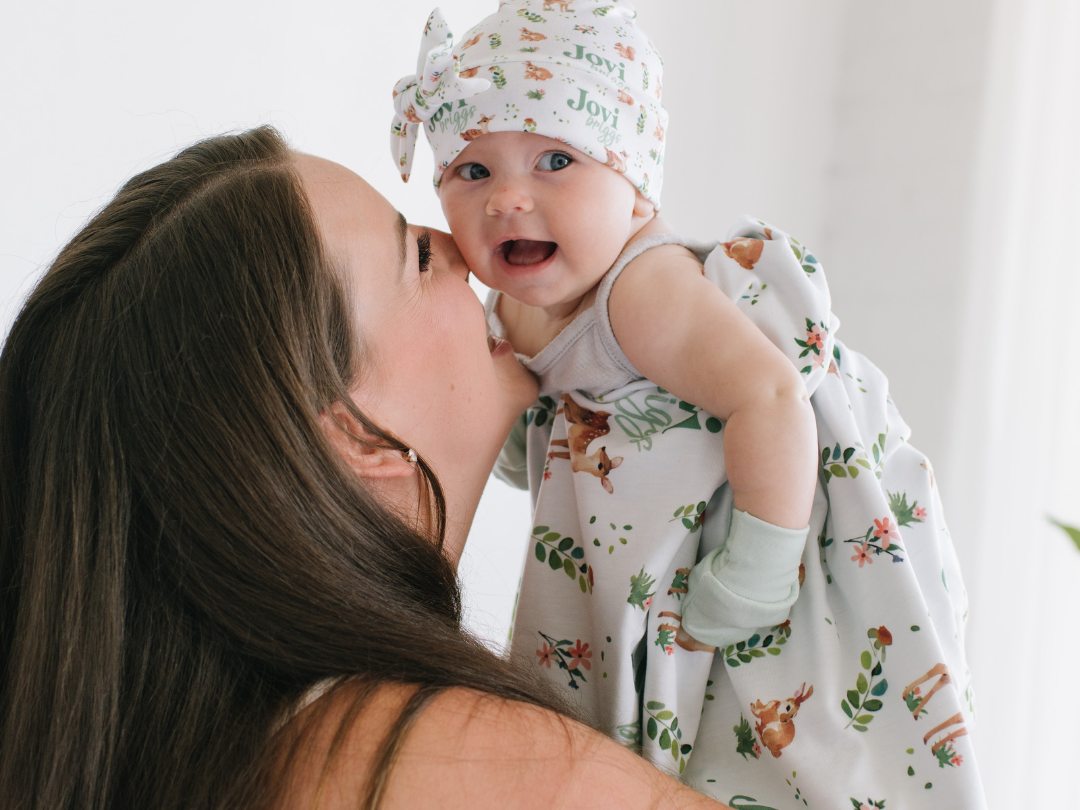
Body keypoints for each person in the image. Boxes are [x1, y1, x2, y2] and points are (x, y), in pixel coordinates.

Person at [0, 126, 732, 809]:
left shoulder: (230, 754)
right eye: (415, 255)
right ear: (355, 433)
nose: (456, 245)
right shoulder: (439, 763)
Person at [389, 2, 987, 807]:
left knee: (772, 717)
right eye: (473, 171)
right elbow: (531, 405)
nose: (506, 200)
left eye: (556, 159)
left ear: (633, 181)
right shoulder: (521, 299)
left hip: (778, 509)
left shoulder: (643, 290)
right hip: (641, 530)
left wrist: (756, 573)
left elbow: (770, 396)